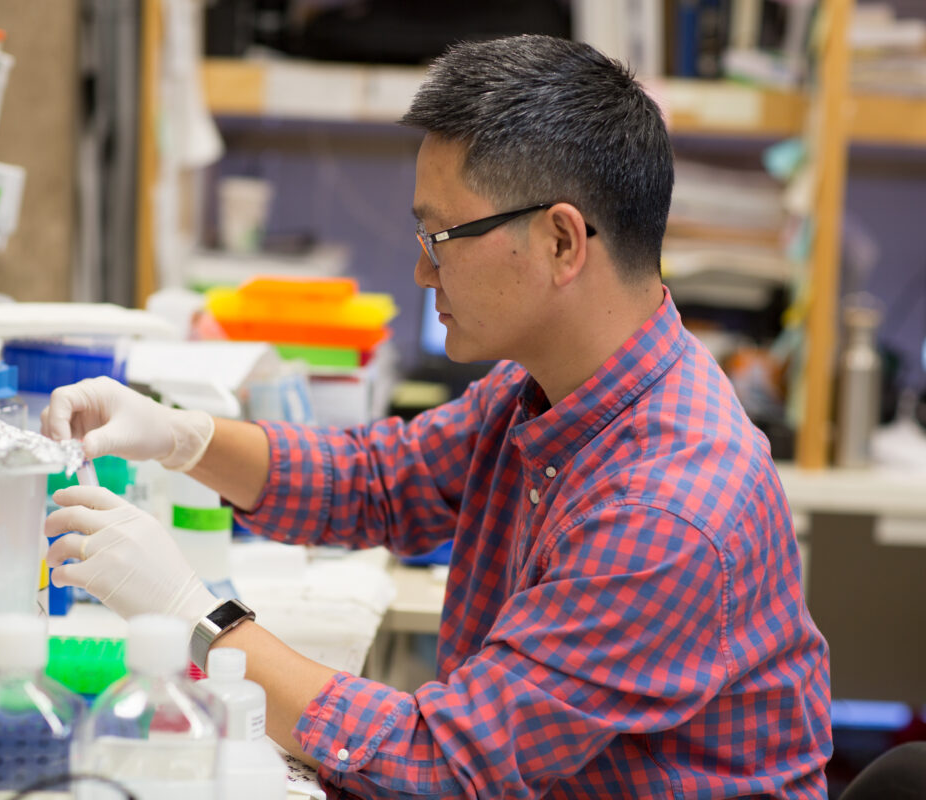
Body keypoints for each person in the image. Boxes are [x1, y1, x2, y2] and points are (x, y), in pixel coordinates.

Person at [42, 34, 832, 799]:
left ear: (562, 241)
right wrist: (181, 436)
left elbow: (443, 764)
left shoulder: (667, 508)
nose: (423, 269)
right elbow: (380, 481)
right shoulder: (549, 388)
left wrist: (196, 617)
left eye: (441, 236)